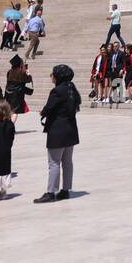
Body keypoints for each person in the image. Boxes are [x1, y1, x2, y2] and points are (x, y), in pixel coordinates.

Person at [35, 64, 81, 203]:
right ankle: (65, 190)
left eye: (53, 73)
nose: (51, 76)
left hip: (58, 130)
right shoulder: (72, 88)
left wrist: (42, 113)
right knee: (67, 162)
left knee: (54, 163)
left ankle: (50, 192)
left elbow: (49, 108)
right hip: (71, 129)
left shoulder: (57, 91)